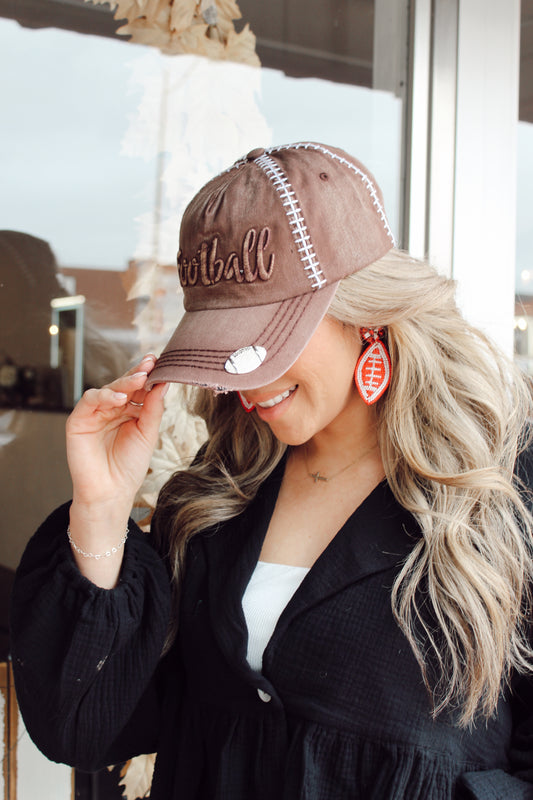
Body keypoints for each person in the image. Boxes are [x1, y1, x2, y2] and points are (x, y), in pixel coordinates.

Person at [9, 142, 533, 800]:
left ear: (364, 313)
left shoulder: (505, 490)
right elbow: (82, 729)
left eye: (263, 337)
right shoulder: (222, 492)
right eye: (221, 343)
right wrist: (101, 509)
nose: (240, 378)